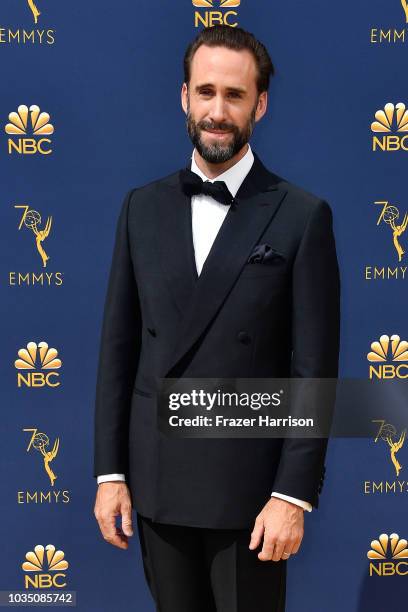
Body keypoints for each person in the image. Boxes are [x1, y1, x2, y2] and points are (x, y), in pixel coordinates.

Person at [93, 24, 340, 612]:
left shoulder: (301, 216)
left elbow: (315, 369)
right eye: (206, 92)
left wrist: (292, 494)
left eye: (234, 95)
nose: (218, 111)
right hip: (157, 484)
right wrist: (110, 475)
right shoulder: (141, 207)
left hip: (250, 498)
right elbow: (117, 352)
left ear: (260, 103)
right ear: (185, 97)